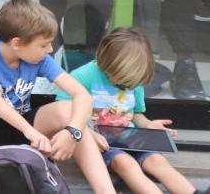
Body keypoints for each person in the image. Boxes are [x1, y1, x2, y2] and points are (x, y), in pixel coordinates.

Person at [0, 0, 113, 194]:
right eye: (44, 45)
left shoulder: (40, 59)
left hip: (17, 130)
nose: (50, 50)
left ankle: (106, 191)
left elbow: (82, 96)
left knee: (69, 110)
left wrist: (74, 132)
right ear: (17, 43)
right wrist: (29, 131)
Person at [55, 28, 209, 194]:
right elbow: (62, 110)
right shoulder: (83, 76)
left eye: (133, 84)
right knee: (126, 164)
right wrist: (88, 133)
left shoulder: (134, 80)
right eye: (124, 83)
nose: (129, 87)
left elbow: (136, 114)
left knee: (157, 161)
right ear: (108, 65)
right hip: (98, 144)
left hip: (129, 138)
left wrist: (148, 125)